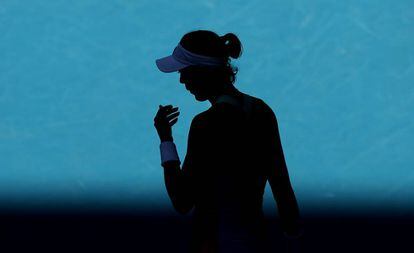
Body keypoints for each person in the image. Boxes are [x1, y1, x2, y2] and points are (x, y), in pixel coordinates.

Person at [154, 30, 304, 253]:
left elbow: (182, 200)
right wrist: (292, 235)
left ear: (203, 72)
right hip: (255, 242)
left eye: (185, 71)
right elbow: (281, 185)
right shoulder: (262, 111)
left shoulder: (206, 124)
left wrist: (166, 139)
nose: (182, 79)